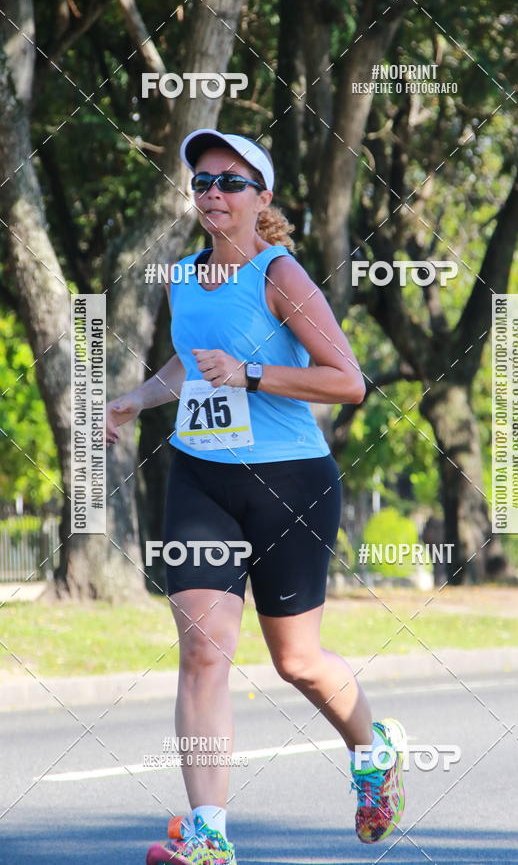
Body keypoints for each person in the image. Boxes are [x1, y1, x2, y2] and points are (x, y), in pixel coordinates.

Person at [105, 129, 406, 865]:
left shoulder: (280, 274)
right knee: (203, 651)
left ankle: (374, 751)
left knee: (296, 661)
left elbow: (348, 381)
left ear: (260, 197)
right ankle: (209, 834)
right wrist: (136, 399)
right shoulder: (181, 276)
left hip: (291, 482)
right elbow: (189, 365)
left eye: (230, 182)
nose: (213, 193)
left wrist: (253, 374)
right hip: (201, 478)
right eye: (202, 182)